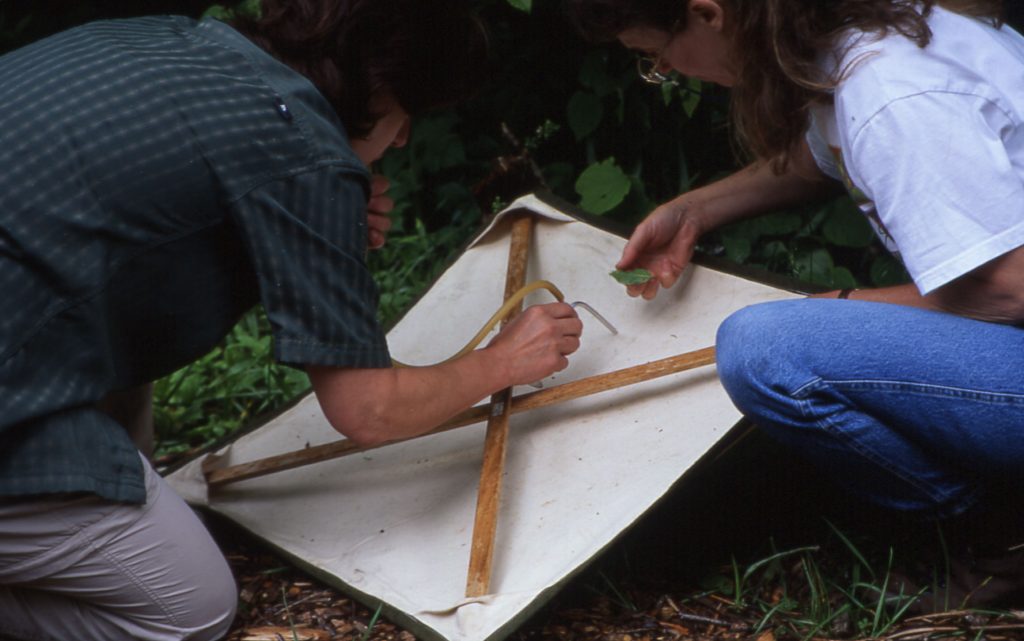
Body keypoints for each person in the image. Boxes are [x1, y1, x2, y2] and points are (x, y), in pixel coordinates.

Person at [0, 1, 584, 639]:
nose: (405, 137)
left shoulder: (171, 40)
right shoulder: (300, 148)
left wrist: (304, 228)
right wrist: (503, 360)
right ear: (383, 87)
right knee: (190, 608)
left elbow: (124, 226)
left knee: (130, 462)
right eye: (408, 113)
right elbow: (369, 409)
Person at [567, 0, 1024, 611]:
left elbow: (1007, 289)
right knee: (805, 338)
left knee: (769, 350)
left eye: (654, 55)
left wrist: (844, 305)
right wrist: (697, 209)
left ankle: (1001, 532)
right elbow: (824, 152)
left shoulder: (891, 96)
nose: (667, 70)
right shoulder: (861, 35)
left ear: (707, 14)